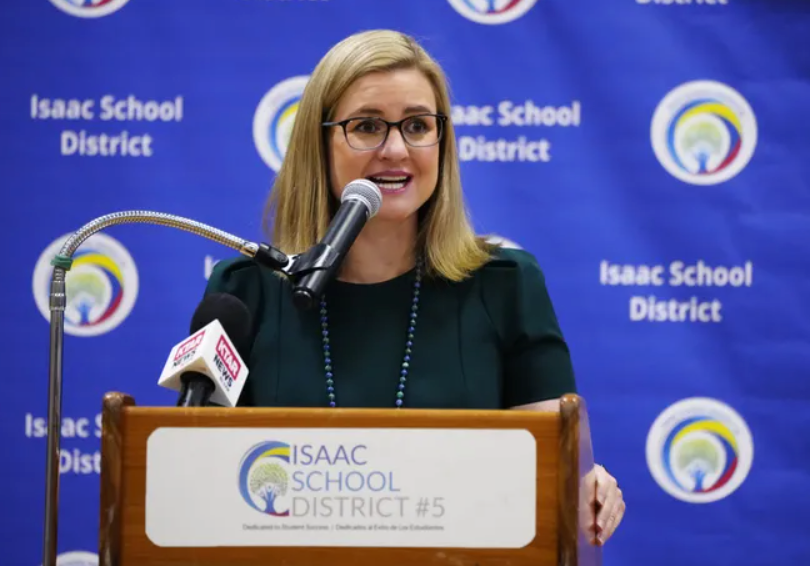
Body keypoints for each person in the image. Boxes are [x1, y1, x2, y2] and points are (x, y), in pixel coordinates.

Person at [206, 29, 625, 544]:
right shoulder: (242, 293)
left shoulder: (506, 285)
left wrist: (584, 484)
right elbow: (196, 478)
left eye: (417, 125)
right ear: (319, 143)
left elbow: (552, 470)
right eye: (366, 126)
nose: (396, 149)